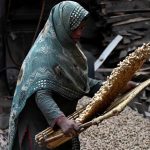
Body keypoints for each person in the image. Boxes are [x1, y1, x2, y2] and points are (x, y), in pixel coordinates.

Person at [8, 1, 137, 150]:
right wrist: (61, 120)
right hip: (39, 128)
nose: (79, 34)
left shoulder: (68, 51)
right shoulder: (42, 55)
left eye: (82, 28)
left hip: (60, 127)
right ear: (62, 27)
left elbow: (82, 83)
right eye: (74, 29)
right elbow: (42, 95)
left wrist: (118, 86)